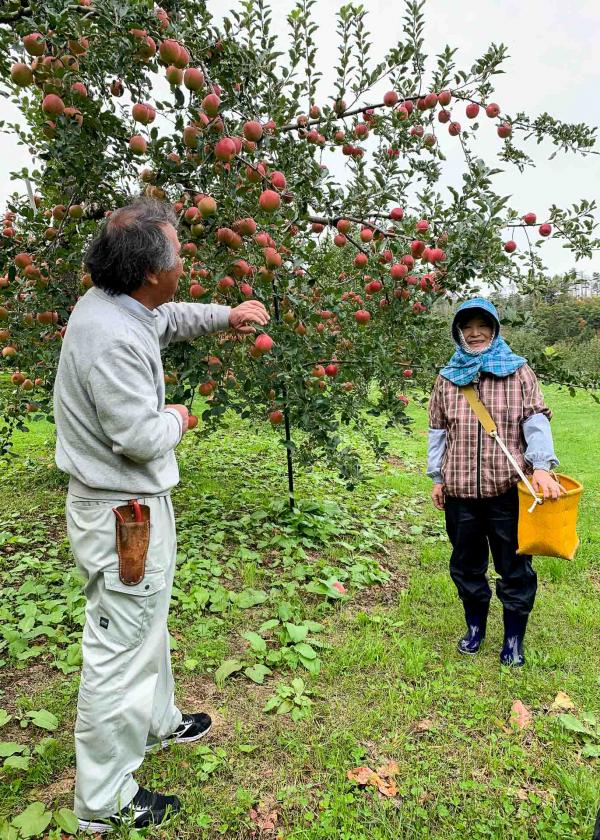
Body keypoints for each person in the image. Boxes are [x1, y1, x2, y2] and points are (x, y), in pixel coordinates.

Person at [53, 198, 269, 833]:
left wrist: (226, 315)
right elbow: (141, 437)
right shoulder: (112, 337)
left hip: (134, 506)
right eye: (177, 257)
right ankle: (103, 800)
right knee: (119, 645)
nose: (184, 263)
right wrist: (180, 416)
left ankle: (155, 722)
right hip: (123, 515)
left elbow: (168, 319)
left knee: (145, 618)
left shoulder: (118, 306)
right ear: (150, 272)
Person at [426, 297, 564, 667]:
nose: (474, 333)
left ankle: (513, 639)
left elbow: (535, 422)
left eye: (482, 326)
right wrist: (438, 478)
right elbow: (438, 430)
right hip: (460, 493)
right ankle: (475, 628)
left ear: (495, 329)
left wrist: (542, 467)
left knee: (514, 567)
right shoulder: (447, 377)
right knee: (466, 565)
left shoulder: (519, 372)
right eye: (467, 327)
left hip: (506, 491)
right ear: (458, 333)